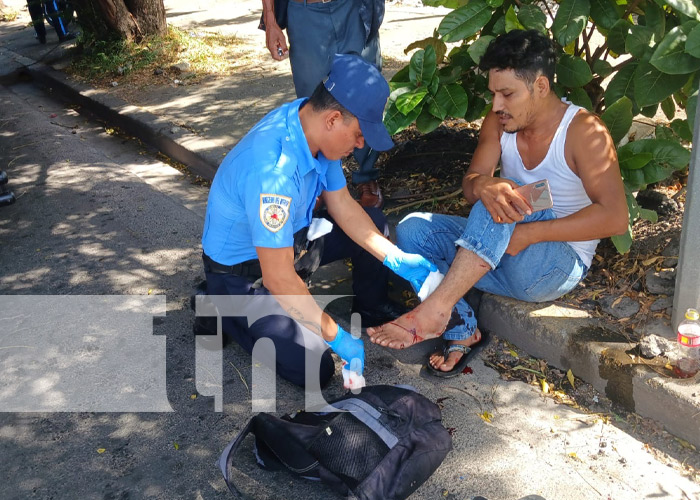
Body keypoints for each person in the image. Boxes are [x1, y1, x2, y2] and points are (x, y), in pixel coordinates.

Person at [367, 30, 628, 377]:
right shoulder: (498, 122)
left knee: (512, 191)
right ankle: (462, 330)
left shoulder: (582, 130)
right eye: (493, 94)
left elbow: (615, 218)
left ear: (540, 87)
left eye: (507, 94)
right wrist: (484, 184)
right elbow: (471, 184)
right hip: (500, 251)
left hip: (549, 265)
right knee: (414, 228)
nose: (496, 106)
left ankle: (437, 308)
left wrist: (531, 235)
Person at [197, 54, 436, 388]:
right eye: (358, 133)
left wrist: (396, 259)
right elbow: (278, 278)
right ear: (334, 119)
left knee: (375, 222)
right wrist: (337, 337)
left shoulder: (309, 123)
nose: (361, 143)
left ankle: (370, 305)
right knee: (314, 368)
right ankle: (217, 305)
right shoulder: (274, 173)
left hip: (287, 242)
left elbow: (343, 206)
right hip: (243, 273)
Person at [260, 0, 386, 208]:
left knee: (366, 94)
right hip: (304, 11)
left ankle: (366, 176)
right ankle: (316, 181)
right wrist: (270, 19)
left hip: (352, 8)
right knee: (314, 102)